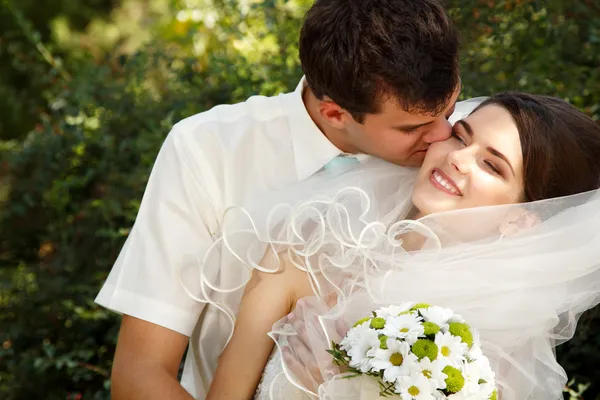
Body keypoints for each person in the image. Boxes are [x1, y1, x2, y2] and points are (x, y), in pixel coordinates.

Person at [95, 0, 462, 398]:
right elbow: (141, 373)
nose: (445, 136)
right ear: (335, 113)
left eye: (451, 107)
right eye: (414, 127)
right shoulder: (207, 151)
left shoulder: (471, 160)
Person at [201, 92, 600, 399]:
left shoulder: (497, 356)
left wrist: (329, 389)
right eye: (461, 137)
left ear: (523, 219)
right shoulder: (302, 259)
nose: (459, 158)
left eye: (491, 165)